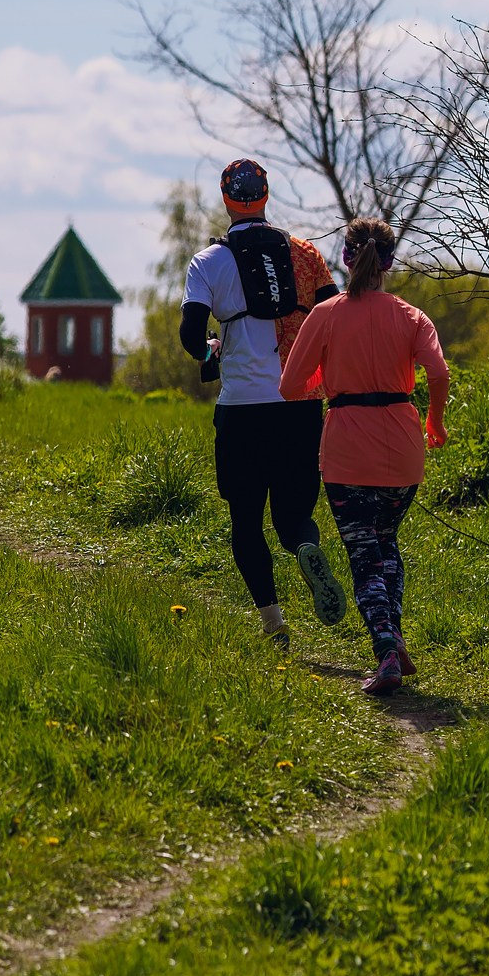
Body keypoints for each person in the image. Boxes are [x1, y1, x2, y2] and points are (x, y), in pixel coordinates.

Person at [177, 158, 350, 646]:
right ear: (266, 196)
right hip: (299, 405)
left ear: (227, 198)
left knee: (246, 519)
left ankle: (274, 623)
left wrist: (210, 348)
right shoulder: (306, 254)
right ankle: (304, 545)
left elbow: (192, 334)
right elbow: (334, 316)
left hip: (242, 410)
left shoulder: (208, 262)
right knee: (293, 512)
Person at [277, 214, 448, 695]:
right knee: (386, 544)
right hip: (403, 448)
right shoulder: (411, 316)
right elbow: (439, 373)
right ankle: (394, 635)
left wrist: (329, 380)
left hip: (348, 450)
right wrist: (434, 419)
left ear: (347, 259)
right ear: (388, 263)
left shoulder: (326, 315)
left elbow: (291, 385)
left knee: (364, 556)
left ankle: (385, 651)